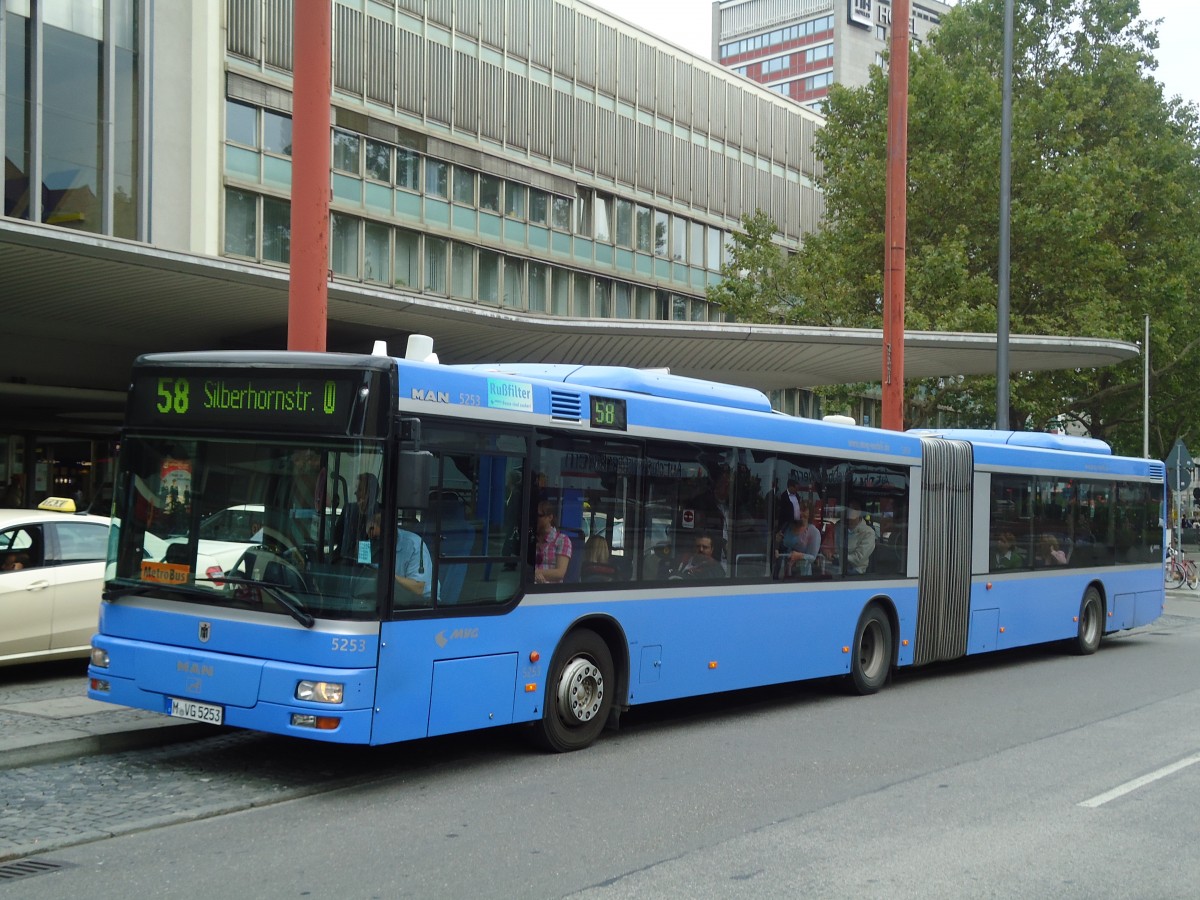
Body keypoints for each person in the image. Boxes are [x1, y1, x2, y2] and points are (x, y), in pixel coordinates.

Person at [777, 503, 822, 577]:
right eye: (798, 510)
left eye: (803, 510)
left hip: (801, 575)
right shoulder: (787, 527)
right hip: (781, 573)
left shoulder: (814, 532)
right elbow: (779, 548)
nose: (800, 513)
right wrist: (777, 543)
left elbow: (813, 557)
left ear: (810, 512)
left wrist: (800, 556)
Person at [533, 501, 571, 584]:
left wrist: (534, 573)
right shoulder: (530, 539)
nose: (535, 519)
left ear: (550, 517)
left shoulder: (562, 540)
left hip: (550, 590)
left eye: (539, 516)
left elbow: (560, 572)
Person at [394, 523, 433, 603]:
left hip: (421, 603)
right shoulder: (369, 541)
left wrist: (385, 576)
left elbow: (418, 588)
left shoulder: (413, 544)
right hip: (390, 598)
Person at [844, 501, 876, 575]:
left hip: (856, 572)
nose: (849, 512)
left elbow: (858, 559)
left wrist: (838, 557)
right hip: (836, 567)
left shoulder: (868, 532)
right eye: (847, 509)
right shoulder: (838, 527)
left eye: (853, 509)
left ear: (860, 512)